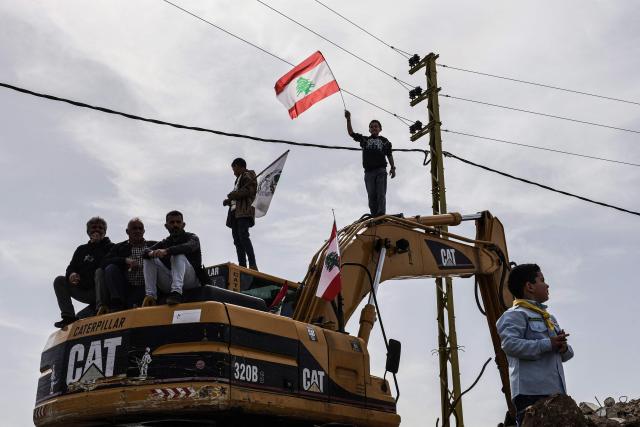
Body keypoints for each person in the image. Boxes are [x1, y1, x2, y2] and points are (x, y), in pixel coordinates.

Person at [496, 263, 574, 426]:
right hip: (530, 394)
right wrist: (548, 344)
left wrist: (563, 347)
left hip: (556, 394)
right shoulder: (514, 315)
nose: (547, 285)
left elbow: (566, 354)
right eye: (542, 280)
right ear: (529, 286)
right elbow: (510, 345)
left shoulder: (549, 318)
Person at [53, 217, 114, 328]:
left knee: (100, 272)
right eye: (94, 227)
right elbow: (71, 267)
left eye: (100, 228)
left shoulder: (111, 248)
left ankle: (101, 308)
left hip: (100, 291)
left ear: (105, 231)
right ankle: (68, 316)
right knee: (59, 280)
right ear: (88, 231)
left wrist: (97, 245)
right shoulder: (81, 249)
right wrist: (71, 275)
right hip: (82, 290)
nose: (97, 230)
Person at [142, 210, 209, 306]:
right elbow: (144, 253)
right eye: (172, 222)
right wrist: (152, 253)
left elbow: (189, 247)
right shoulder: (165, 242)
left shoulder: (192, 237)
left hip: (190, 281)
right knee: (149, 258)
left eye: (178, 222)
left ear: (183, 224)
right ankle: (151, 297)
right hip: (171, 280)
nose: (175, 225)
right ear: (166, 226)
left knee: (178, 254)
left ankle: (176, 293)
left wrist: (167, 251)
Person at [98, 218, 157, 314]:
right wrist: (124, 261)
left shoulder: (154, 245)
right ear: (127, 231)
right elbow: (103, 262)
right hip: (126, 286)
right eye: (134, 228)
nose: (137, 231)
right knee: (110, 268)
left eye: (140, 228)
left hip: (147, 287)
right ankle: (116, 302)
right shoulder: (119, 247)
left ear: (144, 231)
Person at [345, 110, 396, 217]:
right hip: (369, 172)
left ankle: (381, 213)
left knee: (381, 193)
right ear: (369, 129)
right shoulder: (364, 140)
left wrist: (393, 167)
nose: (374, 128)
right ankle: (374, 216)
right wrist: (348, 119)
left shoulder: (384, 141)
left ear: (380, 129)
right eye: (372, 127)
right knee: (371, 195)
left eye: (376, 126)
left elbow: (389, 154)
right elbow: (351, 133)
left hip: (381, 170)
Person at [223, 157, 258, 270]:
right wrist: (229, 201)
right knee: (237, 240)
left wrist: (233, 195)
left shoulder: (248, 175)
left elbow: (249, 191)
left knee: (243, 237)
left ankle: (252, 264)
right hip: (235, 213)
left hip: (243, 212)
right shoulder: (238, 180)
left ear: (239, 166)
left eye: (234, 169)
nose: (233, 172)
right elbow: (237, 196)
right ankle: (242, 265)